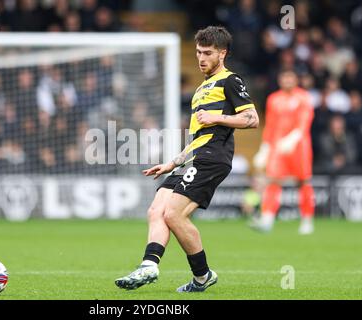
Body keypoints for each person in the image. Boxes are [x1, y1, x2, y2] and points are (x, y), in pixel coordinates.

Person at [115, 26, 259, 293]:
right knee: (156, 210)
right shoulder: (203, 88)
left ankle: (202, 276)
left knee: (174, 214)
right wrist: (174, 162)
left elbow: (252, 119)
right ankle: (149, 265)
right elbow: (199, 136)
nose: (201, 58)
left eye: (207, 53)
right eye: (197, 52)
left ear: (222, 54)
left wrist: (218, 117)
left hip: (212, 158)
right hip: (194, 156)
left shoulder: (230, 80)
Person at [252, 69, 315, 234]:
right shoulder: (274, 99)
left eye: (290, 77)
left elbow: (305, 121)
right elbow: (270, 125)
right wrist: (264, 148)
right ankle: (267, 219)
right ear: (280, 80)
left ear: (295, 80)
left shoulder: (303, 97)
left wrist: (294, 138)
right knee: (273, 180)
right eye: (284, 77)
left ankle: (307, 220)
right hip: (278, 146)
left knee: (303, 181)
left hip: (299, 146)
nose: (287, 80)